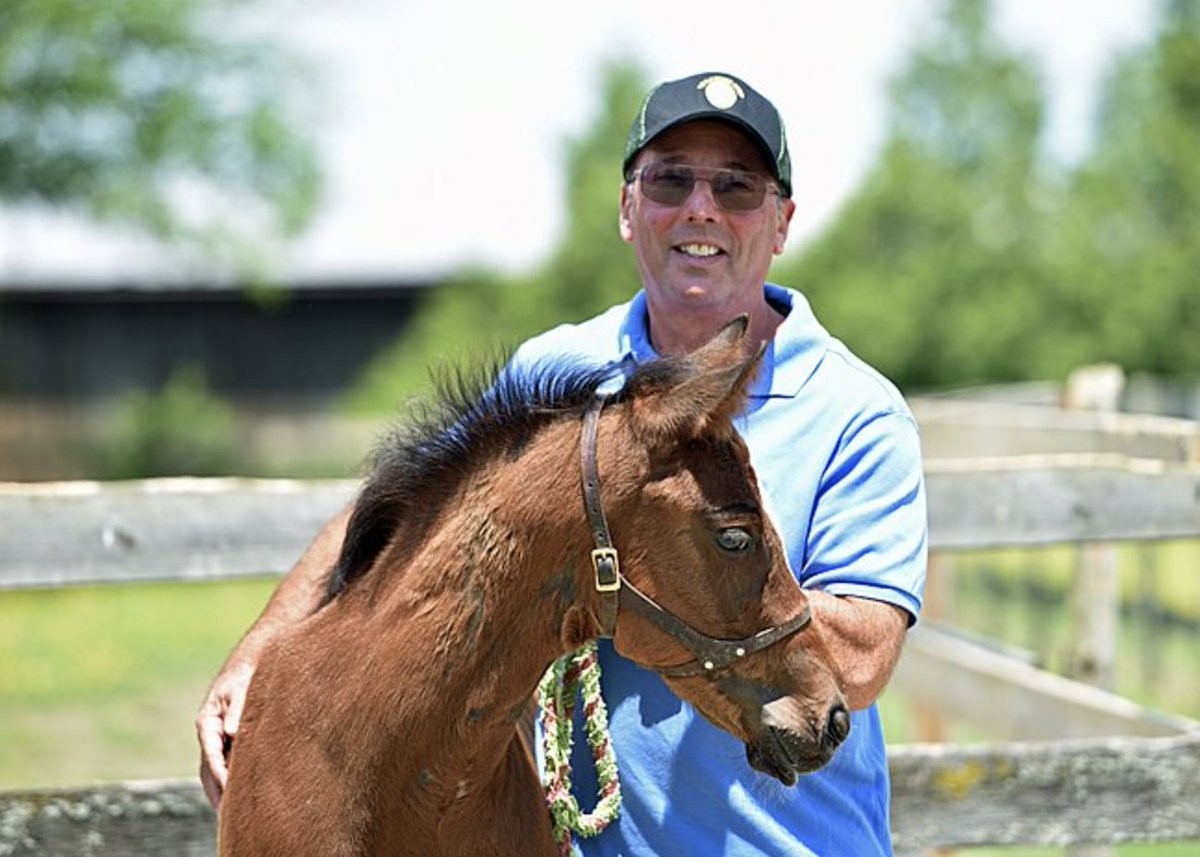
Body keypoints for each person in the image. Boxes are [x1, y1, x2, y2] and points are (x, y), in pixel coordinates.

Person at [196, 71, 927, 856]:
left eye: (737, 187)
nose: (701, 207)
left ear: (780, 223)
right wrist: (261, 650)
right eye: (670, 180)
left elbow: (854, 664)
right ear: (627, 209)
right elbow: (417, 518)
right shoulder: (561, 369)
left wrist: (665, 567)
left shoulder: (859, 412)